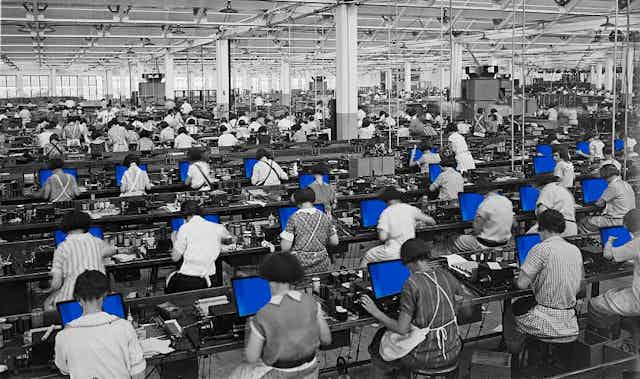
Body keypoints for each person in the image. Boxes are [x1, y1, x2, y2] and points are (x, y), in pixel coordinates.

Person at [361, 238, 463, 379]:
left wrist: (375, 311)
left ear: (409, 262)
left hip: (425, 356)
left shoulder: (412, 283)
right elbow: (461, 302)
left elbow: (401, 329)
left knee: (378, 343)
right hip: (452, 348)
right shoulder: (446, 274)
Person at [230, 253, 331, 379]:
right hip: (310, 369)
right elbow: (326, 340)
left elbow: (252, 357)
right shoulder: (311, 302)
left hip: (279, 374)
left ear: (268, 279)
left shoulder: (263, 313)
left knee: (238, 373)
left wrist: (250, 326)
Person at [503, 210, 582, 359]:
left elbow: (521, 284)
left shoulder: (540, 249)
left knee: (510, 312)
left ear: (541, 227)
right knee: (526, 303)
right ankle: (535, 352)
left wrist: (514, 277)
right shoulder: (575, 250)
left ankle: (513, 358)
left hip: (547, 323)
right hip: (570, 321)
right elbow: (580, 287)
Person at [54, 270, 145, 379]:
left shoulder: (63, 336)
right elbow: (138, 375)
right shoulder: (124, 327)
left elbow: (64, 370)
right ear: (105, 295)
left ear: (77, 298)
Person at [44, 211, 116, 310]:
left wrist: (49, 293)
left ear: (64, 226)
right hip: (99, 297)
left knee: (47, 304)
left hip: (71, 300)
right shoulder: (97, 242)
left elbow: (56, 284)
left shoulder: (62, 248)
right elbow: (112, 250)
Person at [588, 209, 640, 338]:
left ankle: (606, 344)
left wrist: (609, 242)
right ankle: (629, 332)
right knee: (616, 292)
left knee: (595, 304)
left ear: (626, 226)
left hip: (638, 300)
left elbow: (609, 255)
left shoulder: (636, 243)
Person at [166, 201, 234, 293]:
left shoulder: (184, 228)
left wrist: (174, 240)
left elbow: (175, 257)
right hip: (211, 278)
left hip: (189, 279)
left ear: (185, 217)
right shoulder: (217, 227)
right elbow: (230, 241)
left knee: (169, 279)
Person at [361, 187, 436, 266]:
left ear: (386, 201)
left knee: (368, 255)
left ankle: (361, 277)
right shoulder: (410, 208)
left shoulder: (386, 213)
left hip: (393, 252)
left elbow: (382, 237)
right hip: (411, 251)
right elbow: (432, 222)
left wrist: (384, 229)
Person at [280, 188, 339, 273]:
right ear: (313, 200)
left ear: (297, 202)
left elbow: (285, 248)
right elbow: (335, 241)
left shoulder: (294, 218)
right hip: (323, 265)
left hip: (301, 266)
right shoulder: (324, 216)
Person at [580, 164, 636, 233]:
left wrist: (591, 201)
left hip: (616, 221)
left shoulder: (613, 186)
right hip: (629, 220)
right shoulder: (626, 184)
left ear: (605, 175)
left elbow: (599, 204)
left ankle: (597, 238)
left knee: (584, 221)